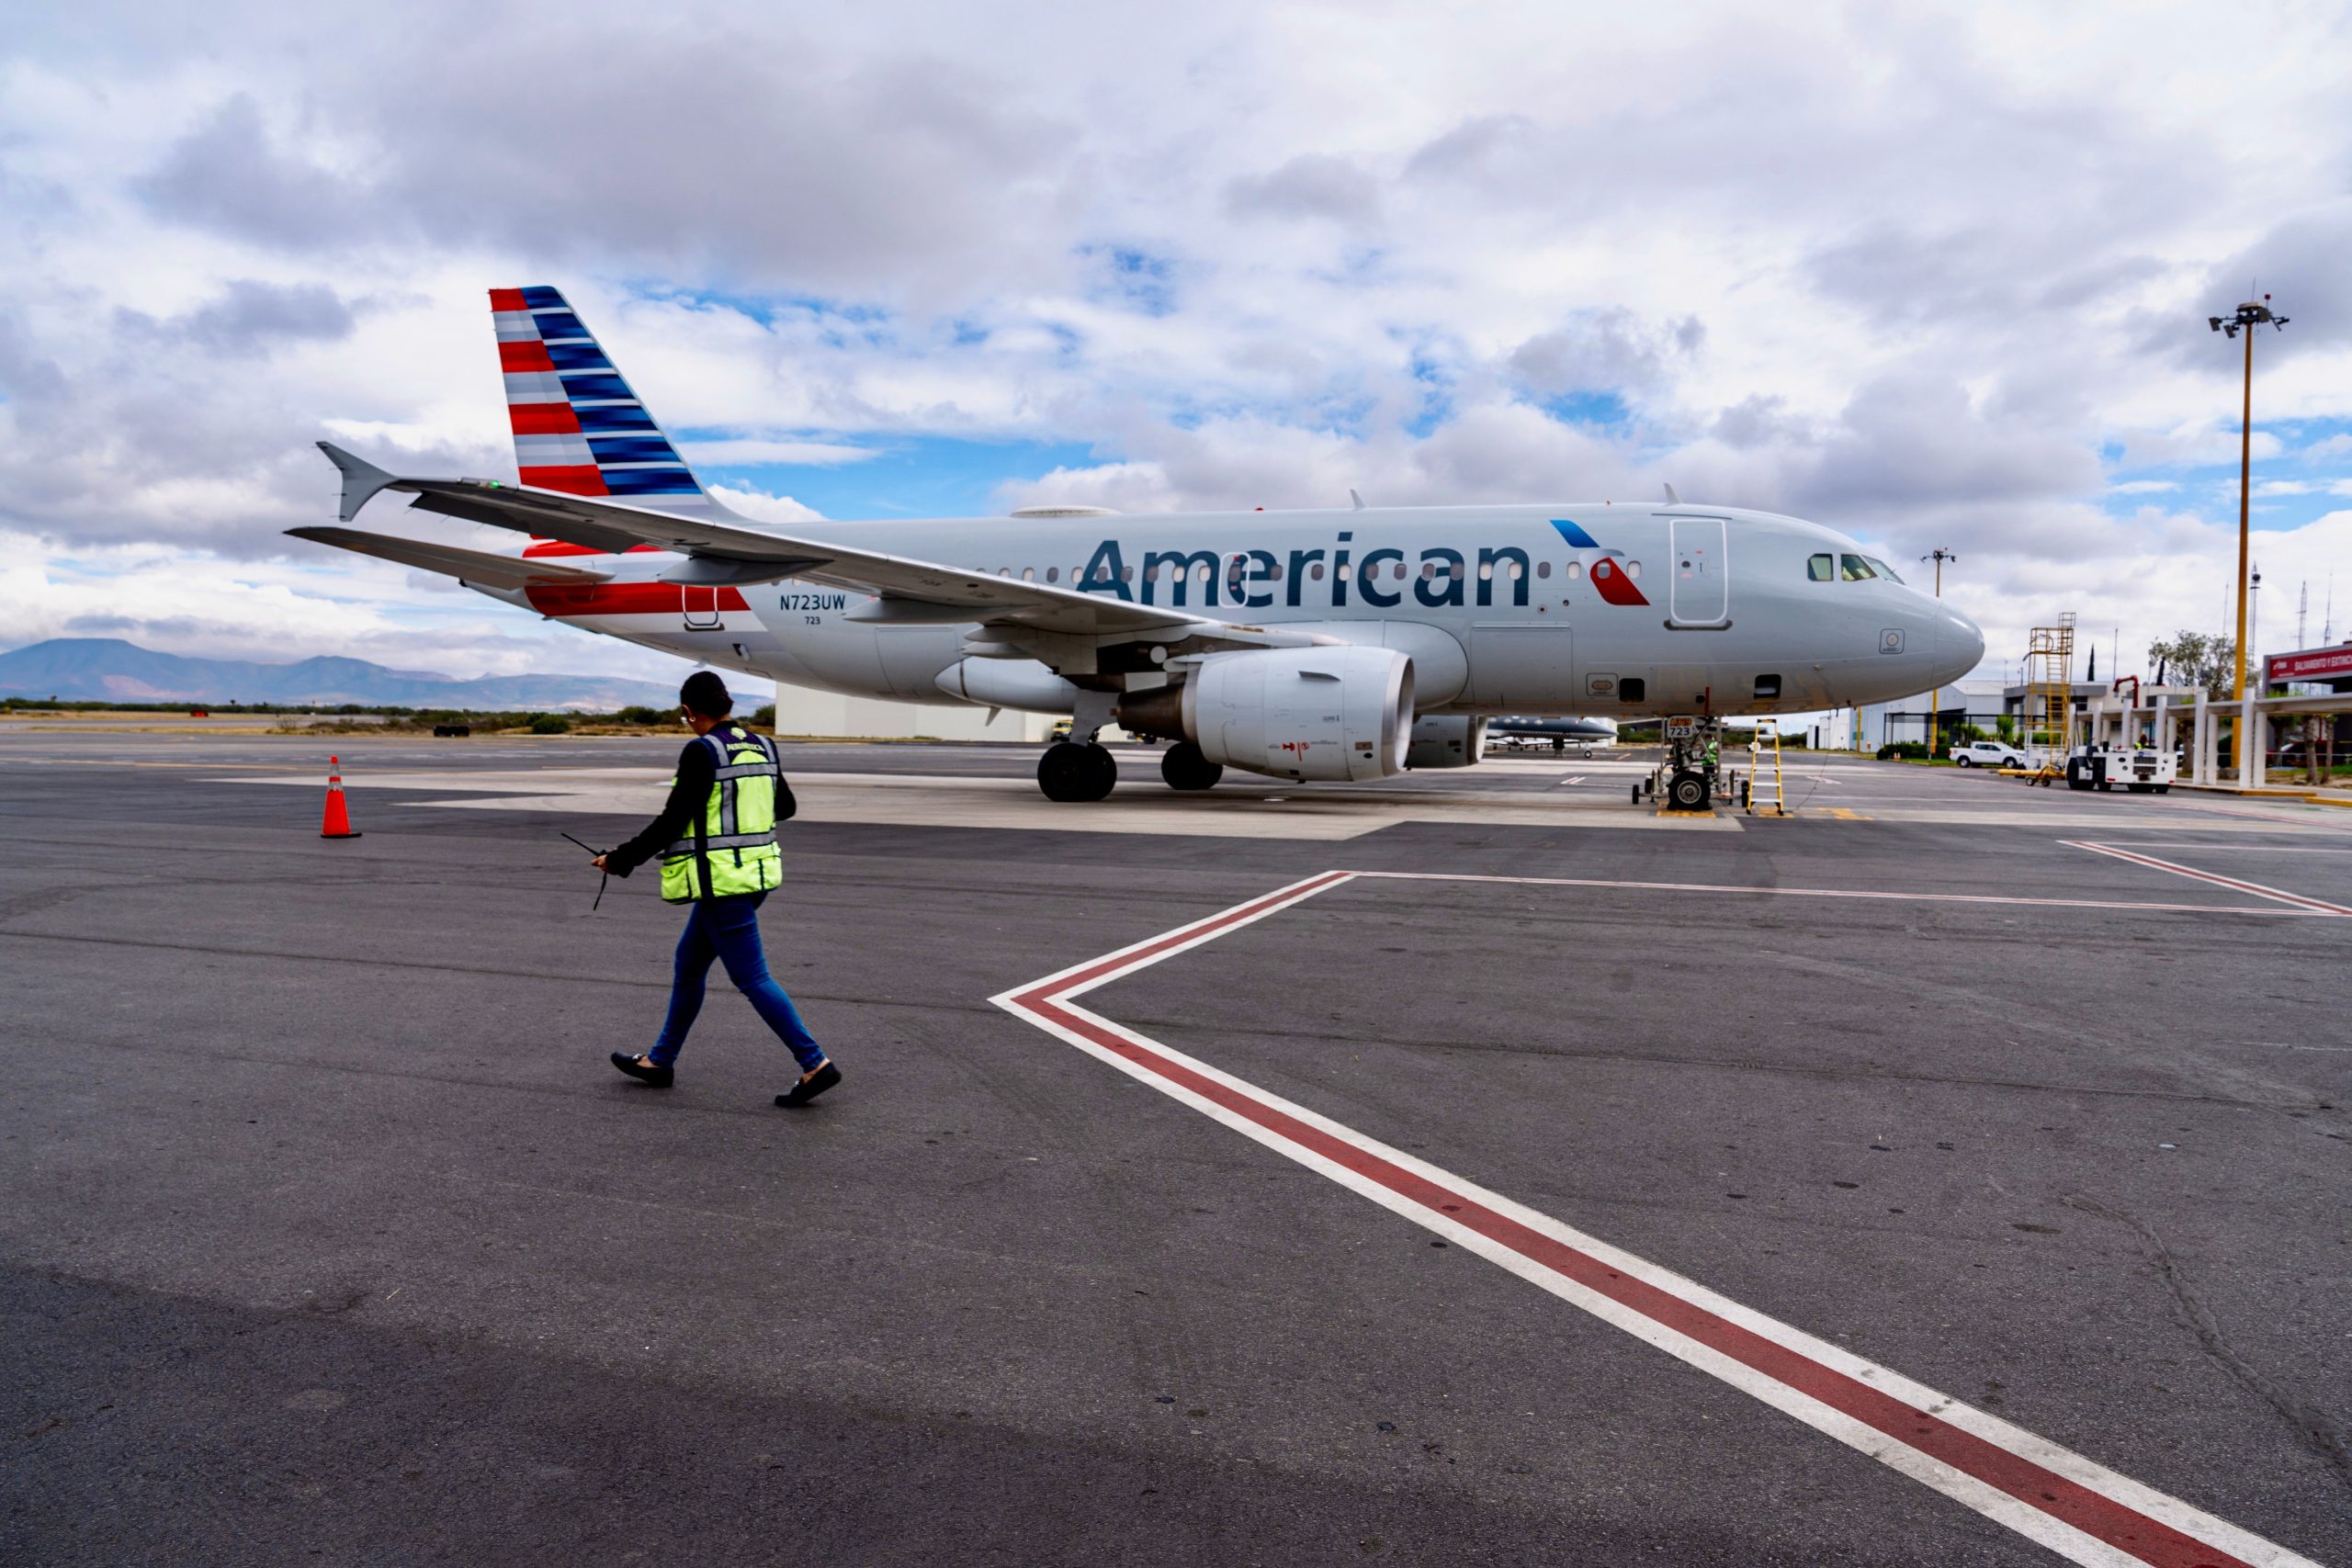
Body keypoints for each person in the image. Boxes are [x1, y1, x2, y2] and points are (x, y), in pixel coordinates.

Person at [594, 671, 841, 1108]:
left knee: (752, 977)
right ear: (727, 705)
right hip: (755, 875)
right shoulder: (763, 745)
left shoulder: (702, 750)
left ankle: (814, 1062)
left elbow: (672, 822)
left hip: (722, 882)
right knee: (689, 964)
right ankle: (660, 1061)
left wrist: (620, 859)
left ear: (689, 712)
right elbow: (785, 806)